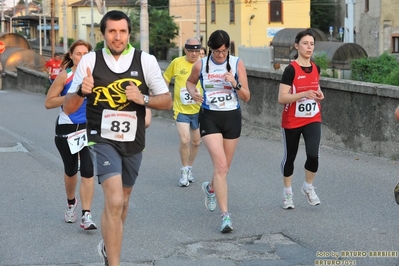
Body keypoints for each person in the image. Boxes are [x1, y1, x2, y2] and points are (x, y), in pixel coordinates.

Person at [63, 10, 172, 266]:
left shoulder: (145, 61)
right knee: (113, 199)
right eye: (112, 31)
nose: (117, 36)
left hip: (134, 140)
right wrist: (80, 91)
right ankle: (114, 262)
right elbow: (68, 108)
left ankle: (108, 247)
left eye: (122, 31)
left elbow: (166, 100)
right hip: (101, 138)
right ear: (103, 34)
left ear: (129, 34)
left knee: (122, 202)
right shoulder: (89, 60)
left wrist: (143, 99)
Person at [186, 30, 250, 233]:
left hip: (232, 118)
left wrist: (235, 83)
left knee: (224, 168)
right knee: (220, 165)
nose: (220, 55)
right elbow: (190, 82)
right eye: (216, 51)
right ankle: (225, 217)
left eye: (224, 51)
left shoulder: (237, 63)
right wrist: (193, 92)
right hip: (210, 117)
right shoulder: (202, 64)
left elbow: (247, 96)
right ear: (210, 49)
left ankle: (210, 188)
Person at [44, 40, 97, 230]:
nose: (82, 57)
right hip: (67, 128)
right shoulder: (65, 77)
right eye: (78, 54)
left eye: (86, 54)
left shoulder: (95, 76)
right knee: (71, 169)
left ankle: (86, 215)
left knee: (89, 169)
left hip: (87, 127)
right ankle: (70, 203)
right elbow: (48, 103)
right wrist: (72, 96)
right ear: (72, 56)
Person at [277, 28, 324, 210]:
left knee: (313, 155)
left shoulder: (316, 68)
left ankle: (308, 187)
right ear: (297, 46)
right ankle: (287, 192)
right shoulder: (291, 70)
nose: (309, 47)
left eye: (312, 44)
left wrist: (319, 95)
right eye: (305, 43)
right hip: (292, 120)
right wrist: (303, 93)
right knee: (290, 157)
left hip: (312, 117)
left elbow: (316, 88)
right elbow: (282, 98)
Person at [163, 38, 202, 187]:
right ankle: (184, 170)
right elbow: (166, 78)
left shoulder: (203, 64)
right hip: (181, 110)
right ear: (185, 50)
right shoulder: (177, 62)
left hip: (198, 109)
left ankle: (190, 168)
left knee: (196, 142)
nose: (193, 54)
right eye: (191, 51)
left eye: (196, 51)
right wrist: (165, 94)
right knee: (185, 140)